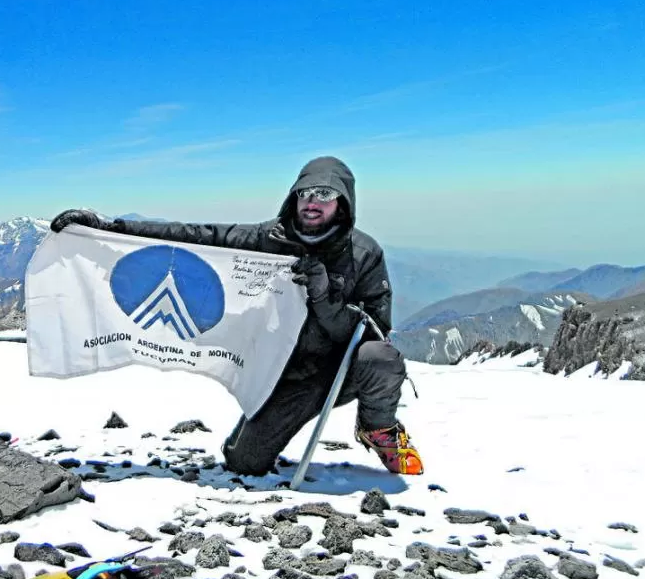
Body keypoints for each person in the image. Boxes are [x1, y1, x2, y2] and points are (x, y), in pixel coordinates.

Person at [50, 156, 423, 476]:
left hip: (341, 368)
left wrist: (324, 296)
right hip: (287, 373)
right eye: (305, 192)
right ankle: (250, 433)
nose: (312, 202)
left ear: (342, 203)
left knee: (382, 360)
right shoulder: (268, 239)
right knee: (244, 463)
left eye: (325, 195)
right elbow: (193, 237)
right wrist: (111, 228)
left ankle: (379, 428)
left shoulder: (363, 253)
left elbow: (373, 332)